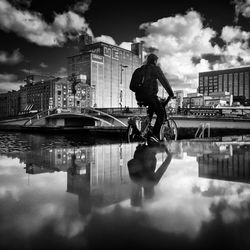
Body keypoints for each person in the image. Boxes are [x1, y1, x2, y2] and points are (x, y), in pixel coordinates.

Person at [135, 53, 174, 141]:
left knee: (152, 109)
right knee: (161, 115)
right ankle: (154, 134)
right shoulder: (155, 68)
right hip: (150, 96)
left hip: (139, 97)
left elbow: (132, 86)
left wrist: (140, 90)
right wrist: (171, 93)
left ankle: (146, 131)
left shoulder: (140, 70)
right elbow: (164, 81)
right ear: (155, 61)